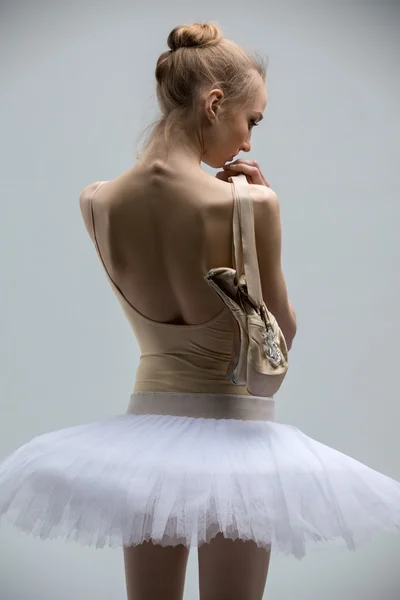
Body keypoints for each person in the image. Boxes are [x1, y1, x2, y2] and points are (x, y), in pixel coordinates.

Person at [1, 21, 400, 600]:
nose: (248, 142)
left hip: (143, 441)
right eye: (251, 120)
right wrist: (261, 204)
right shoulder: (251, 204)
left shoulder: (97, 201)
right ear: (214, 104)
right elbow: (277, 343)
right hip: (235, 437)